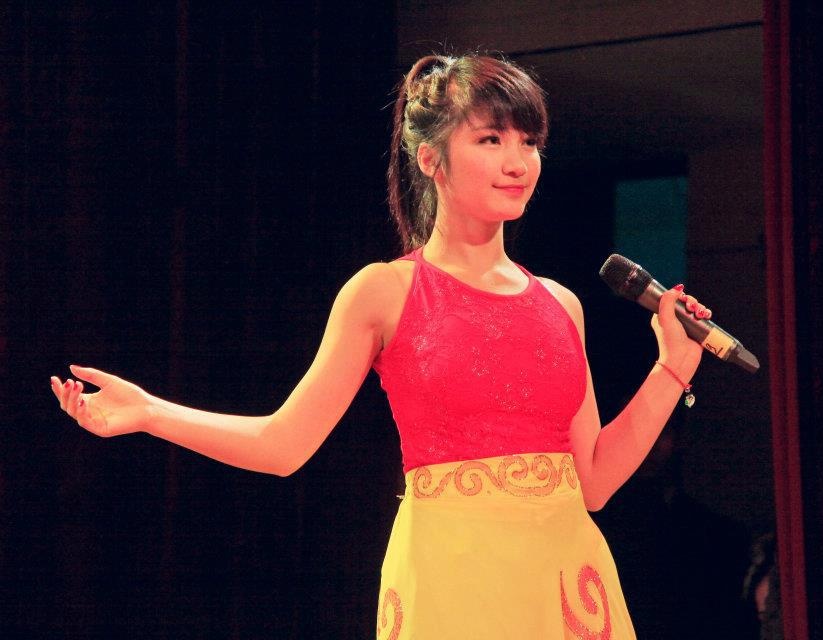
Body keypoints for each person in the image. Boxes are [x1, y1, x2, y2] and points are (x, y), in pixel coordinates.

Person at [51, 53, 711, 639]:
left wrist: (671, 368)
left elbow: (593, 483)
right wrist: (151, 413)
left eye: (529, 142)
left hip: (565, 578)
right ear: (430, 159)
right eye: (491, 139)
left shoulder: (561, 304)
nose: (518, 162)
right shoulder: (384, 292)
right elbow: (283, 444)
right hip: (452, 575)